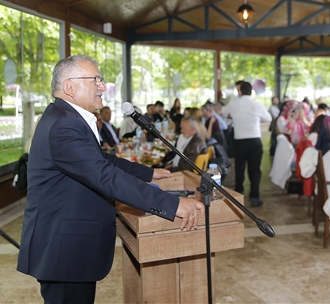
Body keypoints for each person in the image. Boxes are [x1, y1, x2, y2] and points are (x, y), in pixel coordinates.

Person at [17, 55, 203, 303]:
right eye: (95, 80)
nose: (102, 87)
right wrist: (173, 204)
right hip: (62, 249)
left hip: (67, 245)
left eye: (101, 80)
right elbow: (104, 175)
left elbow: (103, 161)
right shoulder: (64, 125)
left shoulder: (66, 117)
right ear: (69, 87)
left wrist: (149, 172)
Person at [223, 81, 272, 207]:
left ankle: (238, 194)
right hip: (254, 140)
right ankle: (254, 196)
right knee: (254, 169)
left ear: (240, 91)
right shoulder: (256, 104)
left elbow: (223, 112)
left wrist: (233, 115)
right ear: (251, 92)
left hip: (239, 141)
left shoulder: (234, 103)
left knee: (239, 168)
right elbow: (269, 118)